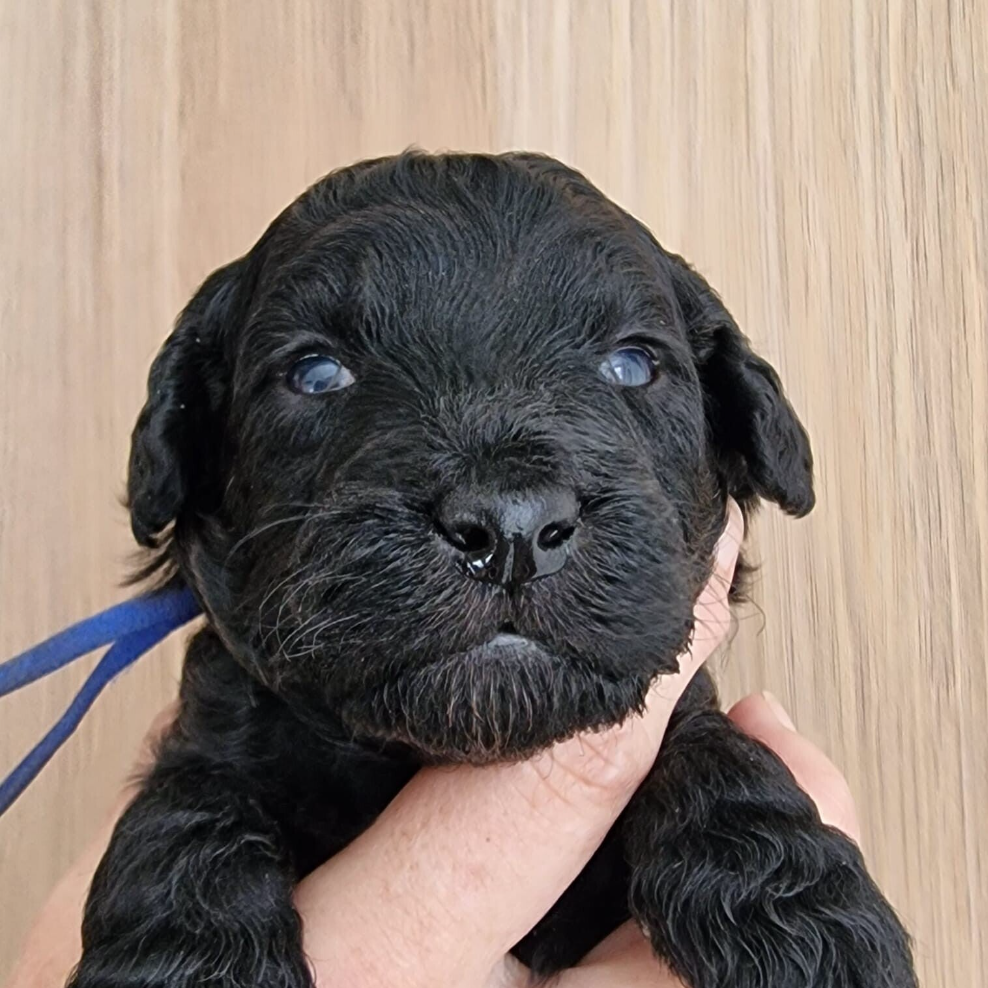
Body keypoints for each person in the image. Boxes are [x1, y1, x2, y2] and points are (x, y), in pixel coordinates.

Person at [6, 502, 860, 988]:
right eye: (318, 374)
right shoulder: (231, 756)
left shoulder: (692, 773)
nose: (507, 510)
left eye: (629, 365)